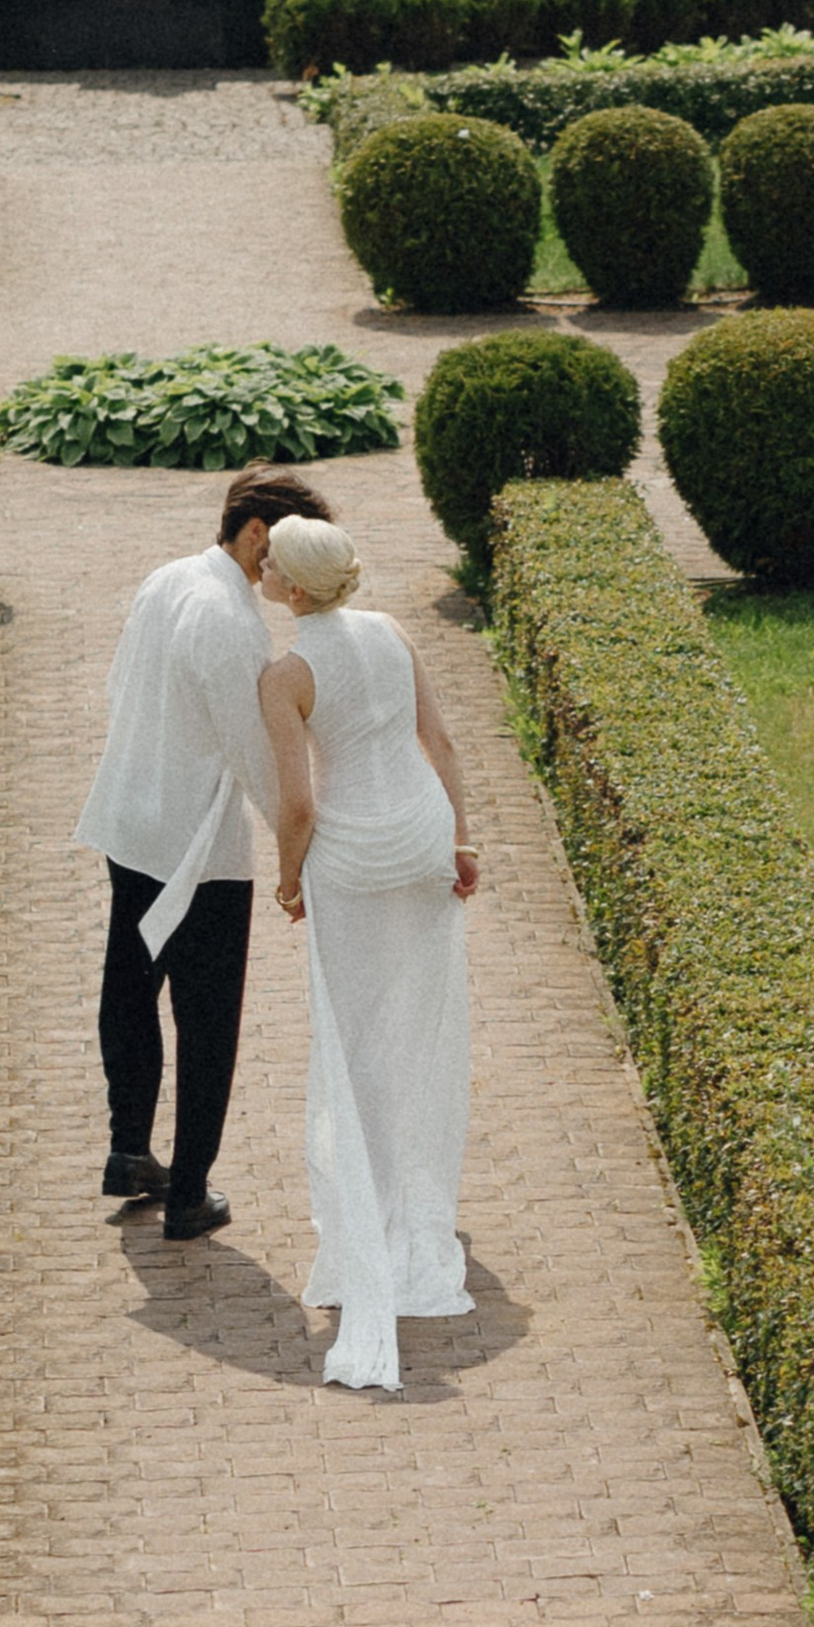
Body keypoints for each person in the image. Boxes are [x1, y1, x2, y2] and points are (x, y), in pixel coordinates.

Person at [73, 467, 335, 1238]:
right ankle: (189, 1190)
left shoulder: (166, 578)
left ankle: (129, 1147)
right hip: (198, 848)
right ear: (256, 533)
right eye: (281, 551)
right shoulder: (229, 618)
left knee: (128, 987)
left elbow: (122, 686)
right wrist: (300, 854)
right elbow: (255, 753)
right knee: (207, 1021)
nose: (282, 572)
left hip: (131, 819)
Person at [257, 515, 478, 1393]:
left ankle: (369, 1205)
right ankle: (412, 1196)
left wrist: (285, 881)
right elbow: (444, 746)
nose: (261, 566)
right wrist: (463, 842)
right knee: (420, 1023)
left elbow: (299, 806)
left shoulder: (287, 675)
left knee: (349, 1040)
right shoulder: (391, 633)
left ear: (297, 590)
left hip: (350, 857)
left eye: (271, 562)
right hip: (421, 839)